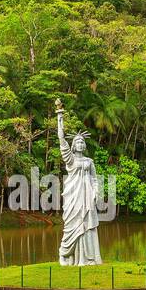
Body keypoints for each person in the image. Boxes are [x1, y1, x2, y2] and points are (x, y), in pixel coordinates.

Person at [55, 99, 102, 266]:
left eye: (83, 141)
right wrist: (60, 117)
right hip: (73, 197)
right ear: (74, 146)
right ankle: (65, 253)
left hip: (87, 197)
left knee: (87, 226)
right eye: (78, 142)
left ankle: (87, 258)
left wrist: (96, 193)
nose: (80, 144)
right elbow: (61, 139)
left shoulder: (89, 161)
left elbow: (95, 179)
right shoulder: (70, 159)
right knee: (71, 225)